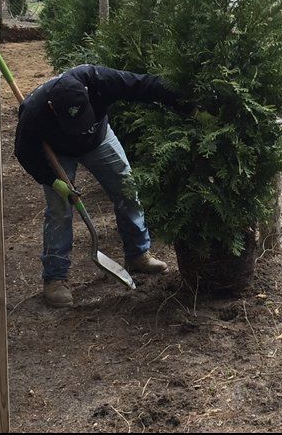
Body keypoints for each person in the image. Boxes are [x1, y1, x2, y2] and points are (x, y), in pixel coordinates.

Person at [14, 64, 189, 307]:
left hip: (99, 140)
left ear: (87, 93)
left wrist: (186, 99)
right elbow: (25, 153)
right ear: (54, 109)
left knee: (127, 188)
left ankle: (138, 254)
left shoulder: (99, 80)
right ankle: (55, 278)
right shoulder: (34, 111)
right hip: (58, 152)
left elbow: (144, 85)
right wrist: (54, 182)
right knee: (59, 211)